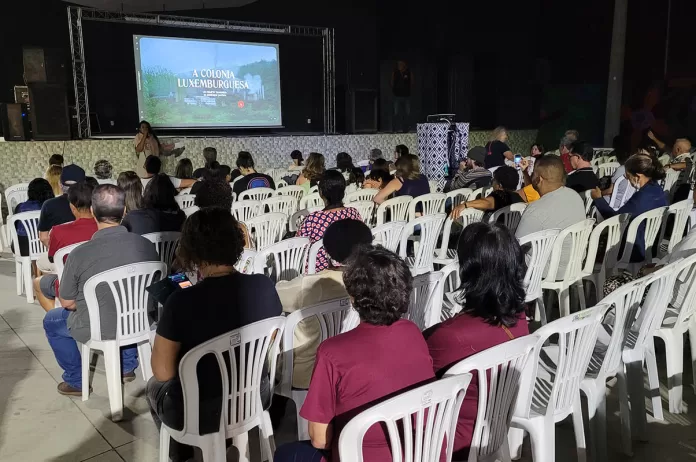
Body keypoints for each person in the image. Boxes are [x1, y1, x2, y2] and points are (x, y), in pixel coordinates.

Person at [274, 245, 435, 462]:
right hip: (417, 452)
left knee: (285, 453)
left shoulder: (333, 352)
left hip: (358, 455)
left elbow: (320, 440)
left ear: (352, 297)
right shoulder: (413, 332)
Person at [148, 207, 282, 462]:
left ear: (191, 249)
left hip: (202, 410)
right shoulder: (264, 286)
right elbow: (269, 342)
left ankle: (183, 453)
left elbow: (162, 372)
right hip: (256, 394)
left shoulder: (180, 302)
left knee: (154, 387)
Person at [42, 184, 160, 395]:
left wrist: (93, 300)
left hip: (99, 327)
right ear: (124, 211)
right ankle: (127, 366)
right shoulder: (146, 245)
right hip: (140, 321)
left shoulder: (80, 254)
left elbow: (67, 302)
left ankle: (76, 380)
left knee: (52, 321)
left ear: (94, 212)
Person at [424, 222, 529, 459]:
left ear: (467, 269)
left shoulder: (451, 336)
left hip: (449, 441)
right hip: (491, 432)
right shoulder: (520, 318)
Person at [277, 219, 373, 388]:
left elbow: (275, 294)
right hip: (347, 369)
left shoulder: (309, 284)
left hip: (305, 375)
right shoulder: (373, 283)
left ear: (326, 250)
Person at [515, 156, 586, 278]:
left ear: (540, 179)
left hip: (547, 271)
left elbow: (515, 248)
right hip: (575, 265)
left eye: (533, 174)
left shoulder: (536, 209)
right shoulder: (575, 196)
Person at [34, 181, 98, 312]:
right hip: (100, 281)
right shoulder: (105, 226)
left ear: (72, 207)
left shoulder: (58, 231)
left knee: (37, 283)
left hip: (71, 290)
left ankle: (59, 317)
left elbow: (53, 259)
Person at [591, 154, 668, 262]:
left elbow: (616, 220)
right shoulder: (657, 190)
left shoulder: (641, 198)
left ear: (637, 176)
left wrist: (598, 199)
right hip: (651, 244)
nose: (628, 181)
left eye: (628, 177)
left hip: (633, 248)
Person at [298, 170, 361, 272]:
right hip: (350, 271)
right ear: (343, 192)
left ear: (321, 192)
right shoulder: (354, 213)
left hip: (319, 274)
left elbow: (299, 249)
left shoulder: (312, 220)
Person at [38, 164, 86, 249]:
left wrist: (57, 253)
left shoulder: (48, 205)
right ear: (84, 185)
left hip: (60, 257)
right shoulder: (93, 204)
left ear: (60, 184)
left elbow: (43, 237)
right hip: (88, 255)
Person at [451, 166, 523, 217]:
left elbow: (488, 202)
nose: (492, 183)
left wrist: (465, 205)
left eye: (494, 180)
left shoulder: (500, 195)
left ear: (499, 185)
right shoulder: (518, 198)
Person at [12, 178, 54, 256]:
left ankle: (30, 266)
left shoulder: (20, 207)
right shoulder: (51, 207)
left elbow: (15, 228)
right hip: (45, 246)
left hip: (22, 247)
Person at [391, 60, 413, 132]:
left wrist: (409, 90)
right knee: (396, 113)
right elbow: (392, 82)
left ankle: (406, 129)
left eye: (401, 64)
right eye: (398, 64)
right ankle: (395, 129)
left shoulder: (408, 72)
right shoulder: (395, 72)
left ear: (404, 65)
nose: (399, 66)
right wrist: (394, 90)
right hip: (397, 96)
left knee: (407, 113)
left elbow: (412, 82)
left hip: (406, 96)